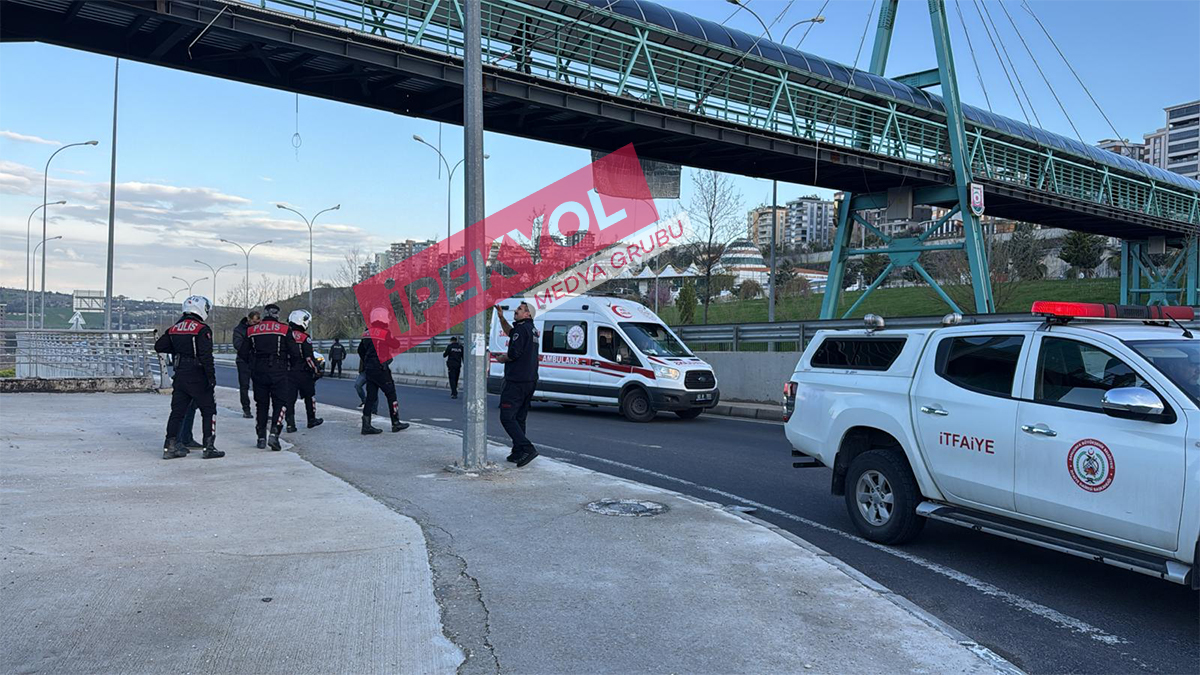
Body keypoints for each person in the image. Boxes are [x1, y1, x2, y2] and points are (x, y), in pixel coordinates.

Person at [154, 295, 223, 460]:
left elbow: (159, 346)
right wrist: (211, 378)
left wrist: (179, 349)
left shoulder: (175, 328)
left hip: (180, 374)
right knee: (209, 411)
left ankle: (170, 446)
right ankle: (209, 446)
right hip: (198, 374)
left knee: (177, 412)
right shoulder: (201, 329)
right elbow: (206, 357)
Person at [238, 302, 300, 451]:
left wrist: (254, 364)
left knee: (261, 405)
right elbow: (295, 354)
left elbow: (243, 353)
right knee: (281, 403)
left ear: (264, 314)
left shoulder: (251, 330)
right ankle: (274, 433)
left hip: (259, 371)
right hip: (279, 371)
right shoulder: (285, 329)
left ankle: (261, 437)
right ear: (277, 314)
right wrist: (290, 367)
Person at [495, 301, 540, 467]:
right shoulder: (531, 330)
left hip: (516, 381)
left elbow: (513, 354)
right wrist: (501, 318)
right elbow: (510, 332)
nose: (516, 311)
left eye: (520, 309)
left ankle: (527, 448)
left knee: (507, 417)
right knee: (519, 417)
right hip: (530, 380)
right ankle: (518, 451)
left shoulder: (522, 330)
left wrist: (501, 358)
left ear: (527, 314)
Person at [358, 308, 410, 434]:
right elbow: (396, 344)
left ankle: (366, 425)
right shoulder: (385, 332)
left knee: (371, 397)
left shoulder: (366, 333)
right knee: (391, 394)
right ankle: (395, 422)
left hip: (369, 369)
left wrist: (367, 361)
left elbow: (360, 350)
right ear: (382, 318)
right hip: (381, 369)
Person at [284, 309, 323, 432]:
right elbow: (309, 358)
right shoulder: (305, 338)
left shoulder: (285, 336)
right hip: (303, 373)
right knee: (309, 397)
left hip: (288, 372)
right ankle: (311, 420)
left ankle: (290, 425)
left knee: (289, 400)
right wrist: (316, 370)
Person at [232, 310, 261, 418]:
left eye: (257, 322)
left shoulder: (260, 328)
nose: (255, 325)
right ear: (248, 320)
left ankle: (261, 410)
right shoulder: (239, 330)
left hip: (257, 361)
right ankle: (246, 409)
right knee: (244, 386)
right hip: (243, 360)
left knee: (260, 386)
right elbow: (238, 345)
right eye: (253, 322)